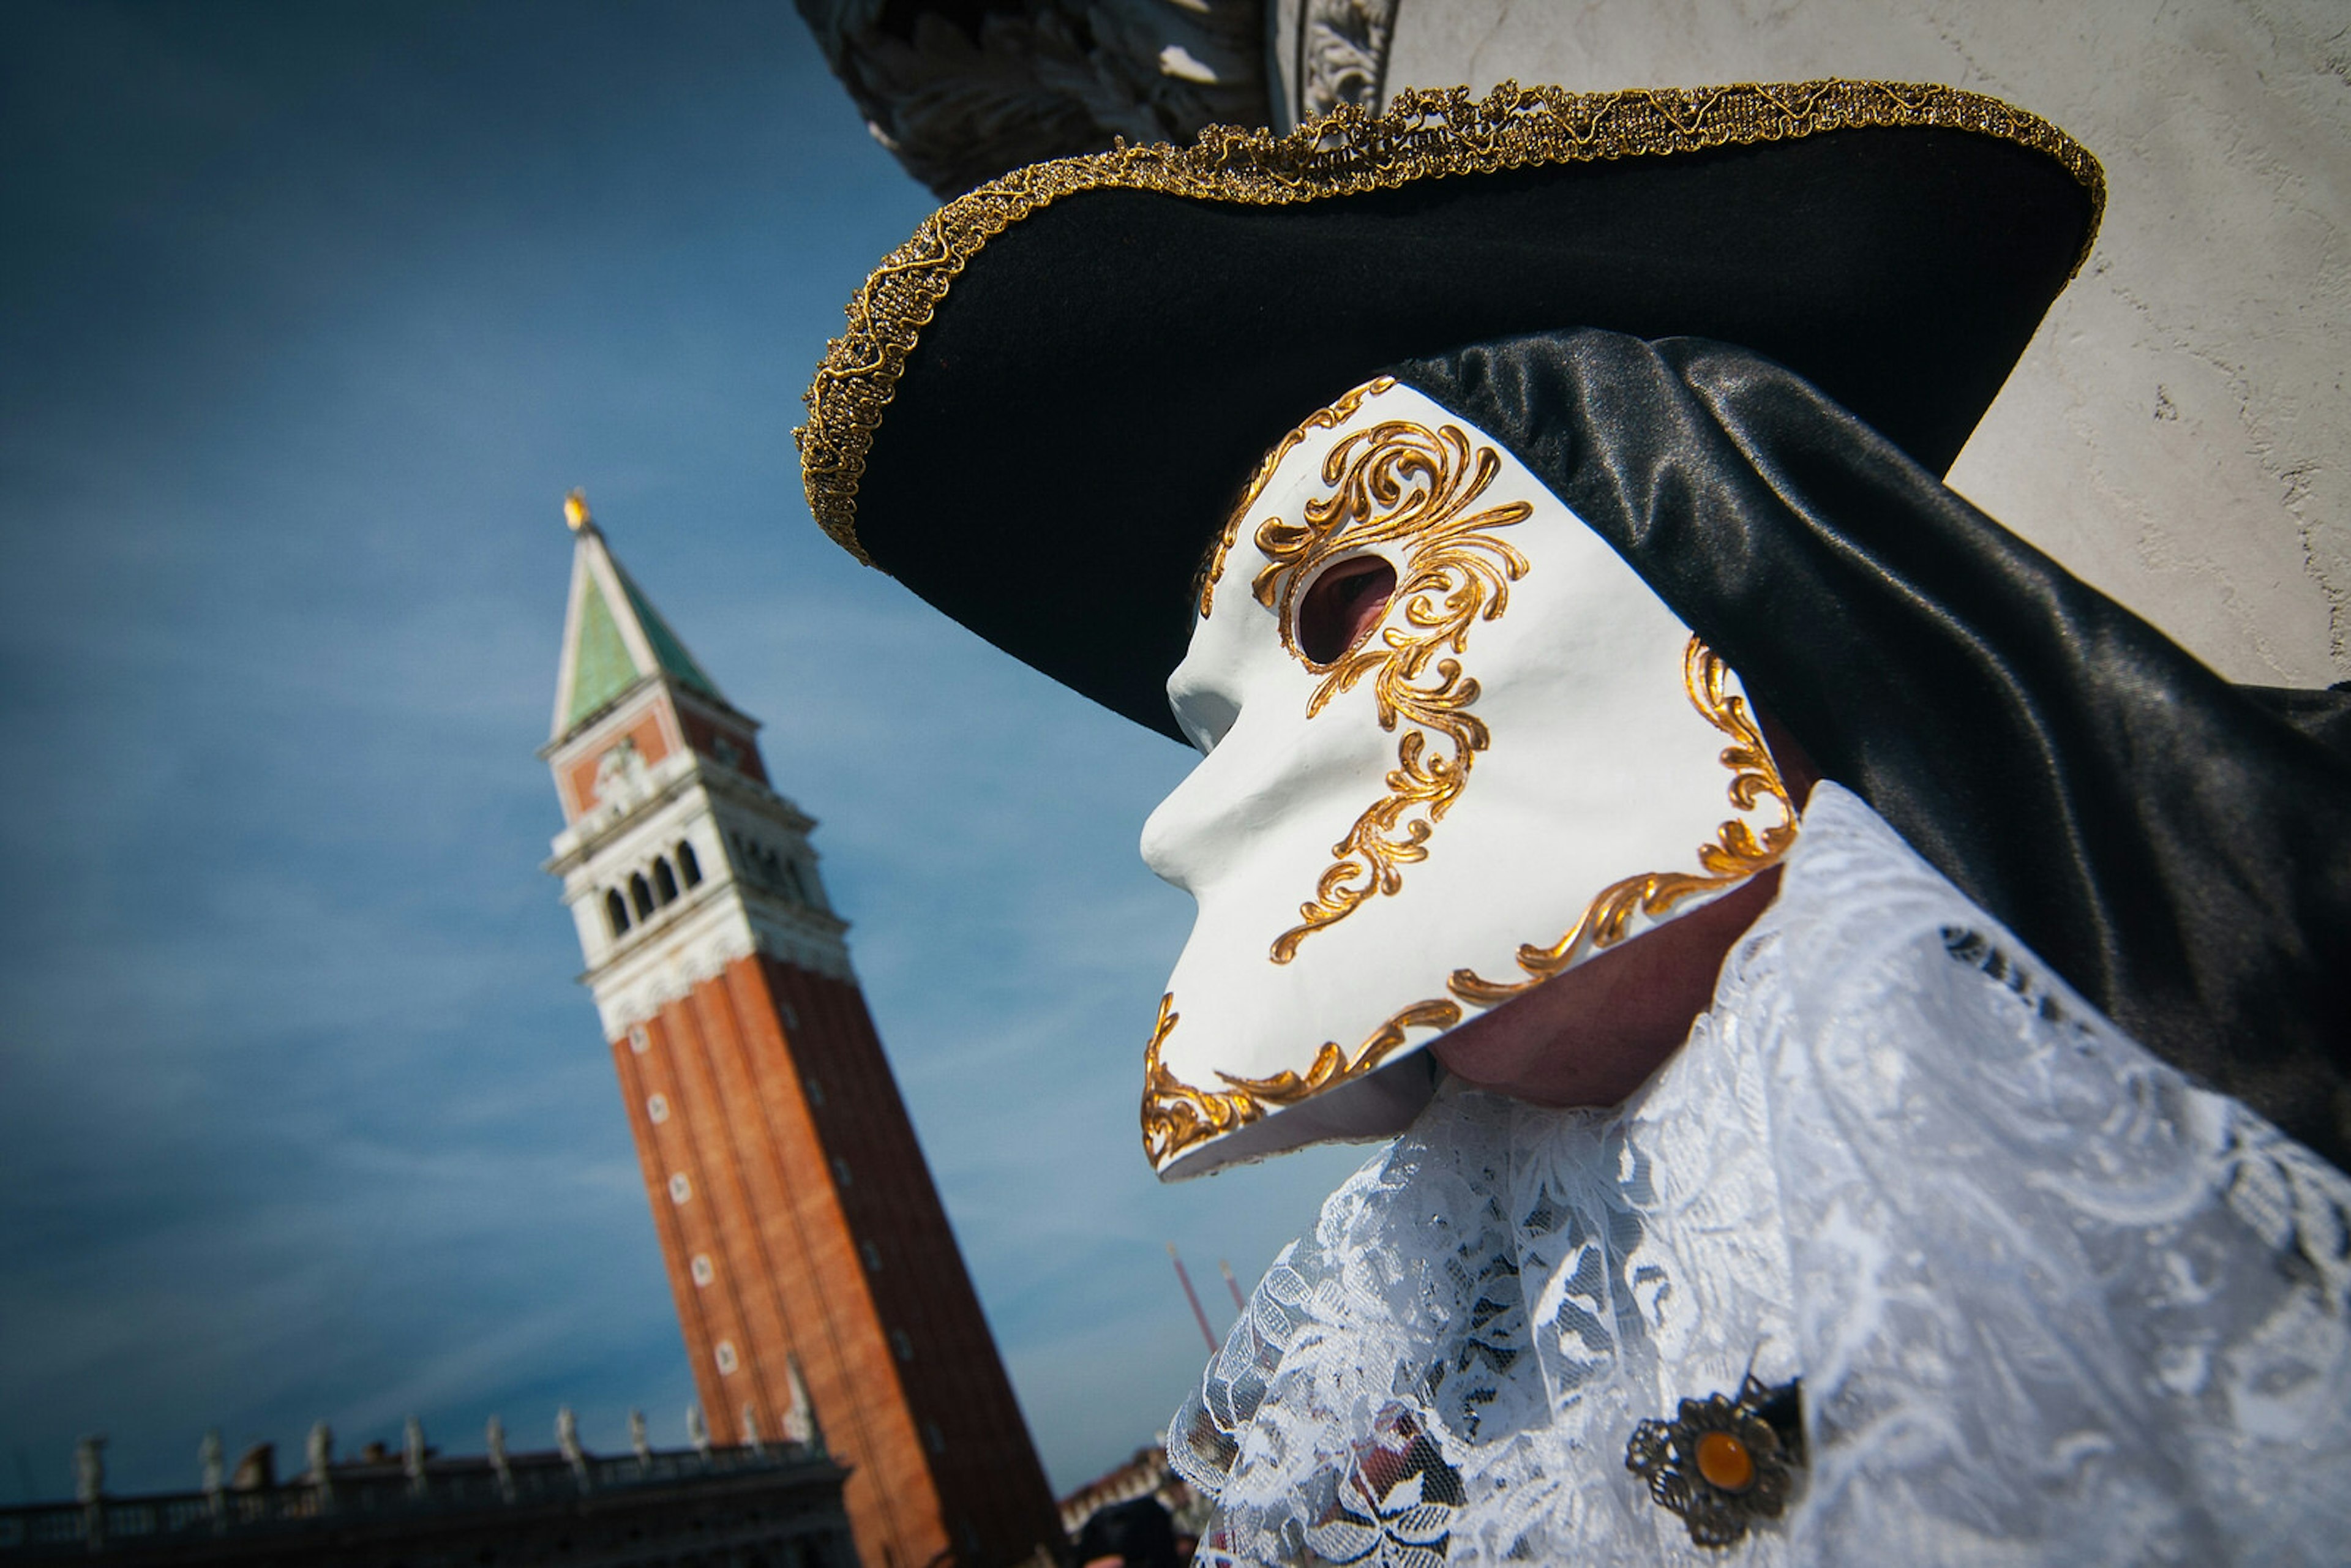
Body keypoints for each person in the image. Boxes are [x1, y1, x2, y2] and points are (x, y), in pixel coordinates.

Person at [797, 80, 2351, 1562]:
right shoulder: (1505, 1341)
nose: (1211, 807)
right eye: (1217, 727)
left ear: (1726, 557)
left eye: (1345, 614)